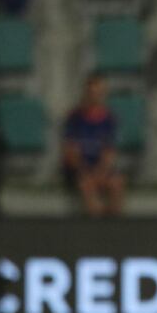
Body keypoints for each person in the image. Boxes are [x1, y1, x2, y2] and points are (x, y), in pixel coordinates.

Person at [62, 75, 125, 216]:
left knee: (117, 182)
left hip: (101, 168)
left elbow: (109, 151)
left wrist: (100, 171)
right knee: (87, 184)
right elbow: (71, 151)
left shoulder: (109, 118)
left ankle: (116, 225)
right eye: (91, 92)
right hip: (81, 170)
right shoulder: (75, 117)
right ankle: (97, 227)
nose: (94, 96)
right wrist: (86, 171)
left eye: (98, 93)